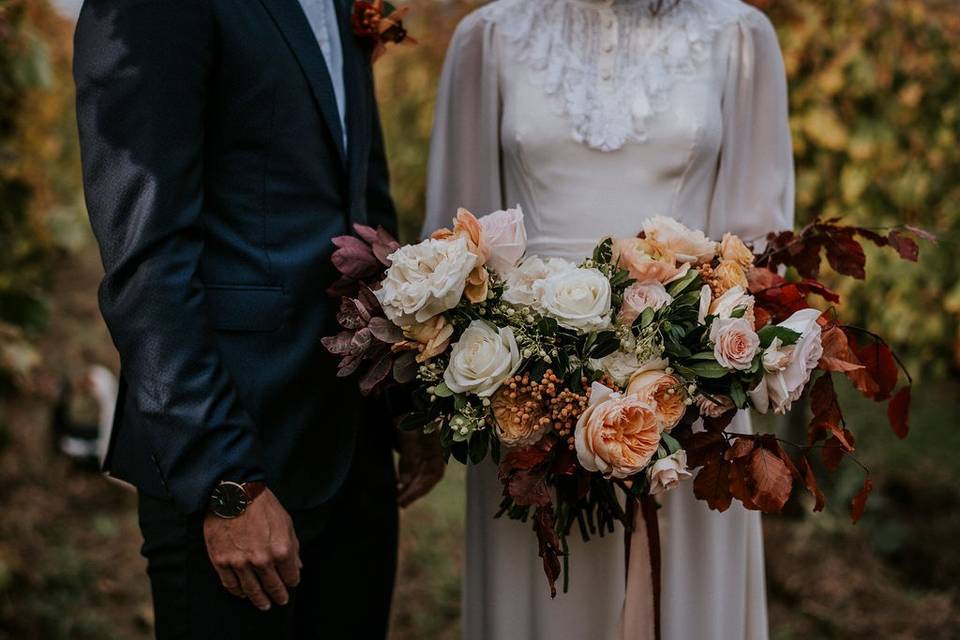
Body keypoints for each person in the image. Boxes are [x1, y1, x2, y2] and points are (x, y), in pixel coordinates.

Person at [73, 0, 443, 637]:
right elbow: (147, 261)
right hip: (237, 446)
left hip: (352, 444)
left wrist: (407, 395)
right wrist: (227, 484)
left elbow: (366, 211)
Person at [424, 0, 793, 638]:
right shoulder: (489, 36)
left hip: (692, 397)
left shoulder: (737, 35)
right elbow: (459, 245)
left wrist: (705, 355)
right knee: (544, 596)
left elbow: (758, 247)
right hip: (525, 399)